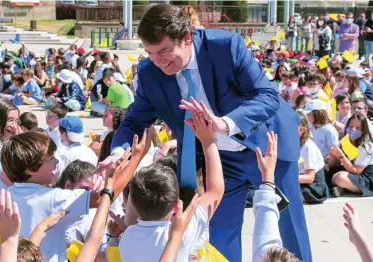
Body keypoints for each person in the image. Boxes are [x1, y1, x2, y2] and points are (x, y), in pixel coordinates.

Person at [111, 5, 311, 261]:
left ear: (186, 37)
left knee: (289, 228)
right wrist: (118, 153)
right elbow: (134, 121)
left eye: (164, 51)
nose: (158, 60)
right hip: (218, 159)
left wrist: (225, 123)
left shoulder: (225, 46)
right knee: (220, 235)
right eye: (150, 53)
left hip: (265, 147)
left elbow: (268, 96)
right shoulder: (150, 73)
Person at [3, 129, 150, 262]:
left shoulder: (7, 194)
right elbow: (104, 197)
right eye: (51, 158)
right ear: (31, 169)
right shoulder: (51, 198)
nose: (57, 162)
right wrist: (136, 158)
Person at [119, 113, 224, 261]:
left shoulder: (127, 237)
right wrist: (208, 141)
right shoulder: (182, 233)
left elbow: (215, 191)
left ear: (133, 202)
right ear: (176, 205)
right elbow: (215, 190)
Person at [329, 114, 373, 197]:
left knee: (339, 177)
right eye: (350, 126)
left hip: (370, 180)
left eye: (358, 128)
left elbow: (356, 170)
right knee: (327, 168)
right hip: (354, 175)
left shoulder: (366, 146)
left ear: (363, 130)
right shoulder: (346, 141)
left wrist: (341, 156)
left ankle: (346, 188)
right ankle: (345, 188)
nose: (353, 130)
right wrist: (333, 155)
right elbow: (332, 163)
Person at [296, 112, 328, 204]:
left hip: (313, 188)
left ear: (303, 129)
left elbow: (310, 177)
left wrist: (288, 178)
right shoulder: (294, 144)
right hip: (300, 182)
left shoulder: (308, 146)